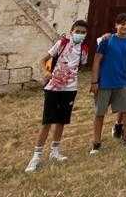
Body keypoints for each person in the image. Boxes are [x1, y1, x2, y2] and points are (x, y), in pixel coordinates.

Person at [25, 19, 87, 172]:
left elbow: (81, 65)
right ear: (72, 31)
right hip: (53, 87)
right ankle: (36, 155)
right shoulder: (62, 44)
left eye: (83, 32)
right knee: (47, 121)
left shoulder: (84, 50)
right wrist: (46, 71)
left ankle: (55, 151)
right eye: (77, 31)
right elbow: (43, 59)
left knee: (61, 121)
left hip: (70, 88)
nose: (80, 34)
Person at [90, 13, 126, 153]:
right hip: (105, 82)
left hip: (122, 82)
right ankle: (96, 143)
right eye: (122, 23)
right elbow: (97, 60)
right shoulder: (107, 40)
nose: (125, 26)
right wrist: (94, 81)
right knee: (100, 113)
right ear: (116, 25)